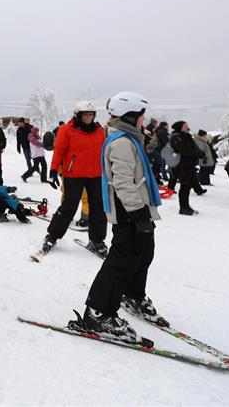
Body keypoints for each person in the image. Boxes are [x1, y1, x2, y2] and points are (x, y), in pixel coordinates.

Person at [69, 91, 168, 342]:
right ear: (131, 115)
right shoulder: (121, 142)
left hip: (139, 207)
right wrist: (137, 214)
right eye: (141, 117)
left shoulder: (130, 138)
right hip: (129, 210)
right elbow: (122, 181)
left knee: (144, 253)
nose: (144, 122)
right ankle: (98, 312)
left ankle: (133, 295)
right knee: (121, 261)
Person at [40, 101, 108, 257]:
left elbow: (105, 153)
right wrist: (53, 171)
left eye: (91, 115)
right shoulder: (66, 130)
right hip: (74, 175)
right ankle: (52, 235)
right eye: (86, 115)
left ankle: (97, 241)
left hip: (96, 175)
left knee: (98, 209)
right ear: (78, 115)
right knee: (68, 207)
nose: (89, 118)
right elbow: (59, 152)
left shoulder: (99, 131)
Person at [168, 121, 205, 215]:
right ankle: (184, 208)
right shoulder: (175, 137)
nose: (187, 127)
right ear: (180, 127)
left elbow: (194, 147)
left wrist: (201, 153)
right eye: (185, 126)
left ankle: (186, 206)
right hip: (181, 165)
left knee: (188, 186)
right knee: (185, 185)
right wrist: (197, 153)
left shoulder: (187, 136)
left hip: (190, 165)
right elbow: (183, 151)